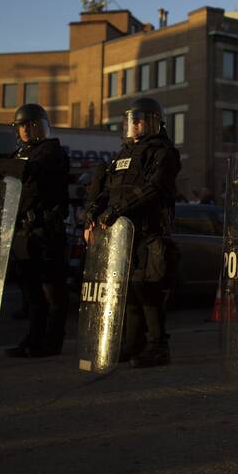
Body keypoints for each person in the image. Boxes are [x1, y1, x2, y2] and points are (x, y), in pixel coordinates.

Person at [83, 97, 181, 368]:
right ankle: (133, 344)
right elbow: (107, 190)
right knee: (129, 291)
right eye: (131, 120)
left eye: (139, 119)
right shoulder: (123, 154)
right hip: (123, 235)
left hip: (149, 232)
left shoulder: (164, 152)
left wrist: (117, 210)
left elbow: (154, 188)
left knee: (149, 290)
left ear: (153, 122)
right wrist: (92, 212)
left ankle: (158, 347)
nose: (133, 124)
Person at [0, 104, 70, 358]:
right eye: (21, 126)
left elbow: (30, 171)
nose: (26, 131)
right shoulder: (19, 154)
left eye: (30, 126)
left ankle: (51, 343)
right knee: (31, 293)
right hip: (22, 232)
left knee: (52, 291)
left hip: (46, 231)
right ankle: (33, 339)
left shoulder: (52, 151)